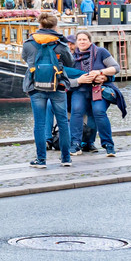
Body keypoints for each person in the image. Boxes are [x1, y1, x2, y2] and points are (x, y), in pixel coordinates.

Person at [23, 12, 78, 169]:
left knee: (39, 124)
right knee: (62, 122)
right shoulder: (61, 43)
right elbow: (71, 62)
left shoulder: (29, 43)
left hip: (35, 86)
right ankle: (66, 158)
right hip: (57, 85)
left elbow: (25, 59)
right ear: (55, 26)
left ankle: (41, 160)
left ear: (40, 25)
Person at [69, 31, 121, 155]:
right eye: (79, 40)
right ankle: (75, 144)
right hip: (80, 89)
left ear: (90, 41)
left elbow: (116, 68)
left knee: (99, 111)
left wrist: (101, 73)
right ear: (76, 42)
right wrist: (78, 80)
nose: (82, 42)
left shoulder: (101, 52)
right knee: (77, 110)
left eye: (84, 39)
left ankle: (108, 144)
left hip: (97, 89)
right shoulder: (71, 57)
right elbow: (64, 77)